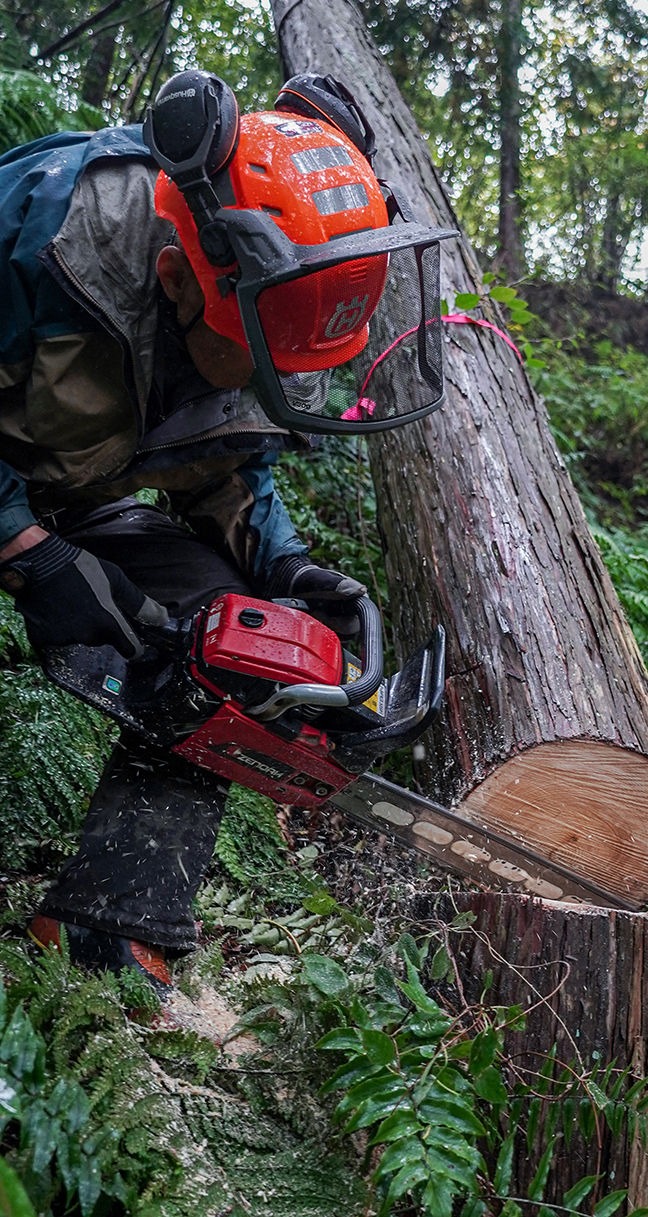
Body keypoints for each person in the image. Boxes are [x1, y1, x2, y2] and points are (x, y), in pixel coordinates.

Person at [0, 68, 423, 994]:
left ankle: (104, 926)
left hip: (59, 484)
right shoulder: (52, 236)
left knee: (227, 640)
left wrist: (285, 568)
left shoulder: (252, 284)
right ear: (173, 277)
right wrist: (22, 547)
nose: (257, 381)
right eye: (252, 354)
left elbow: (220, 448)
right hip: (16, 482)